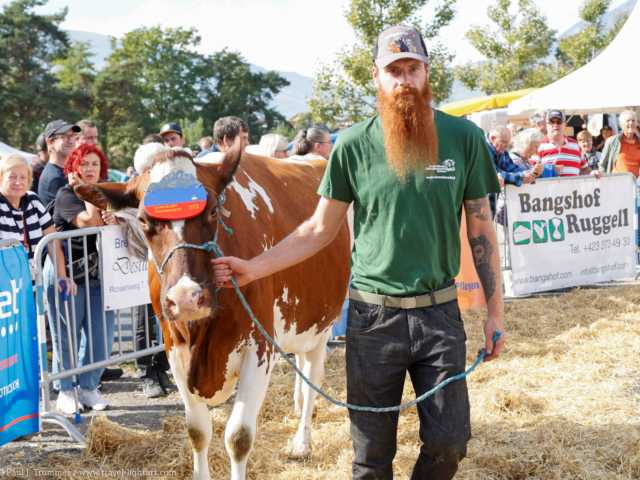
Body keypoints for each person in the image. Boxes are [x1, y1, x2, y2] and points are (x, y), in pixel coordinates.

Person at [212, 24, 504, 480]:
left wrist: (495, 312)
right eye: (394, 71)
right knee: (369, 459)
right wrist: (253, 267)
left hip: (440, 315)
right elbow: (317, 229)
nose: (404, 80)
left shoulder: (464, 139)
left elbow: (482, 230)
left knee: (450, 443)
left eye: (413, 68)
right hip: (373, 319)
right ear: (377, 76)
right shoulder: (352, 145)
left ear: (427, 72)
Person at [45, 144, 119, 414]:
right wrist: (85, 191)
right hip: (66, 274)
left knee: (102, 337)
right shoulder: (66, 194)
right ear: (73, 167)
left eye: (95, 164)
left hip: (99, 275)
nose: (90, 169)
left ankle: (88, 387)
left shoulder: (108, 191)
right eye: (84, 163)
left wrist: (116, 218)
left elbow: (120, 220)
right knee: (66, 335)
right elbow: (89, 221)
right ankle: (66, 390)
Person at [0, 154, 72, 287]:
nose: (18, 182)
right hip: (4, 287)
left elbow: (52, 240)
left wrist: (61, 275)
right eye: (12, 177)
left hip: (30, 284)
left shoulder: (33, 200)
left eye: (23, 177)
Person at [495, 129, 560, 225]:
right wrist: (536, 173)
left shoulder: (523, 159)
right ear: (527, 144)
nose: (537, 151)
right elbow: (524, 182)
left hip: (516, 214)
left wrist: (538, 173)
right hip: (511, 216)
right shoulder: (514, 159)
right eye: (535, 147)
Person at [531, 110, 603, 179]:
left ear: (564, 124)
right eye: (552, 122)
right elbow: (530, 171)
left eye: (559, 122)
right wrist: (550, 169)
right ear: (547, 125)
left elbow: (584, 169)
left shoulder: (575, 145)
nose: (555, 125)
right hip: (548, 191)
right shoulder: (538, 145)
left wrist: (592, 172)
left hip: (573, 191)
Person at [485, 125, 536, 218]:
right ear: (493, 139)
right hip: (476, 207)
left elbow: (512, 168)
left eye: (508, 142)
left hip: (488, 208)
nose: (507, 146)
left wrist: (532, 172)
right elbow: (492, 174)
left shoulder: (502, 152)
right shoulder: (482, 149)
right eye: (504, 142)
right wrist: (521, 177)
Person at [38, 120, 81, 206]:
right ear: (50, 142)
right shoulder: (55, 178)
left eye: (73, 136)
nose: (71, 141)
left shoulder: (64, 171)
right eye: (64, 136)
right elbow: (85, 216)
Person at [599, 110, 640, 178]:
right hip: (616, 184)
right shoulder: (611, 141)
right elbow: (602, 165)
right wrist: (605, 181)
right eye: (628, 121)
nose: (631, 123)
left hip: (636, 185)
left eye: (633, 120)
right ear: (621, 125)